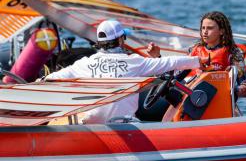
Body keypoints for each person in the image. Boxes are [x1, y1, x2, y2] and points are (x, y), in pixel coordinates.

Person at [44, 19, 208, 124]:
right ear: (121, 39)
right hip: (124, 125)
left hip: (92, 125)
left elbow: (53, 78)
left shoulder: (84, 64)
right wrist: (198, 61)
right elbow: (170, 62)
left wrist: (38, 82)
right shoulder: (134, 62)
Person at [189, 11, 246, 98]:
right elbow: (179, 76)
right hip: (194, 99)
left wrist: (231, 90)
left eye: (210, 28)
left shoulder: (233, 53)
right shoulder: (195, 50)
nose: (205, 32)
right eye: (203, 28)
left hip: (220, 100)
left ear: (221, 31)